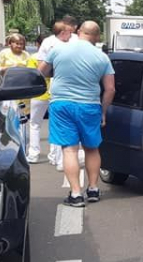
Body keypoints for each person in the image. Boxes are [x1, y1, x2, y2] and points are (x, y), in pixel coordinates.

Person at [38, 20, 115, 207]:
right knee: (92, 148)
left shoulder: (58, 49)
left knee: (70, 149)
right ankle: (94, 189)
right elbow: (110, 89)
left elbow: (40, 73)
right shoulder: (102, 57)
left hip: (62, 104)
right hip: (89, 105)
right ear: (97, 37)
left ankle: (76, 194)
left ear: (79, 31)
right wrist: (103, 112)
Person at [30, 21, 75, 165]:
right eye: (69, 30)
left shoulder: (47, 43)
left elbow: (41, 68)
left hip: (50, 86)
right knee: (57, 122)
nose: (71, 33)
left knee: (36, 123)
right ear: (63, 32)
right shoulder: (72, 42)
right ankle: (55, 157)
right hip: (62, 87)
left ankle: (34, 154)